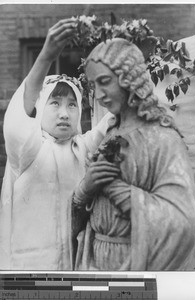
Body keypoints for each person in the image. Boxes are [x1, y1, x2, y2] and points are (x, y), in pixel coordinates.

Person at [0, 19, 119, 270]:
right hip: (30, 267)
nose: (64, 113)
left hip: (74, 266)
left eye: (71, 104)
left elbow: (113, 120)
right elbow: (18, 119)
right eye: (54, 103)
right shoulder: (29, 151)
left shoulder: (83, 148)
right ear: (40, 107)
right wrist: (45, 56)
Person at [72, 38, 195, 271]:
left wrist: (118, 190)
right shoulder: (110, 136)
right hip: (94, 262)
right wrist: (85, 189)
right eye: (93, 85)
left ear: (130, 79)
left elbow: (183, 223)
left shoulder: (162, 139)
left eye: (105, 82)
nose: (98, 94)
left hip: (134, 263)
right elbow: (83, 215)